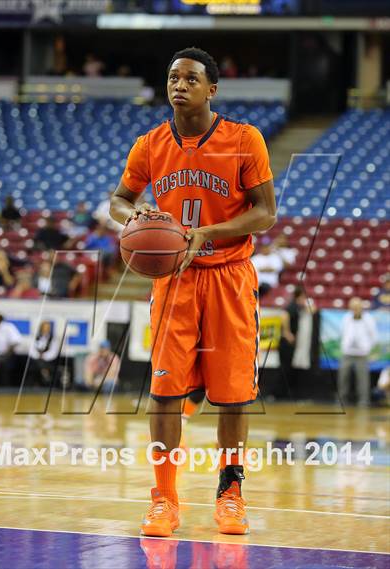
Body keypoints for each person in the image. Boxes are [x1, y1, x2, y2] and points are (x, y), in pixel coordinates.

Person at [110, 47, 276, 537]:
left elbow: (265, 213)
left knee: (233, 395)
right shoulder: (149, 144)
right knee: (163, 392)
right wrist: (134, 216)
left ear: (212, 90)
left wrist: (207, 232)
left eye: (190, 78)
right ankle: (163, 499)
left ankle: (231, 493)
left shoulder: (245, 140)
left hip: (228, 275)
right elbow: (119, 200)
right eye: (172, 78)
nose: (178, 85)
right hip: (174, 281)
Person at [278, 286, 319, 400]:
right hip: (286, 342)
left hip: (293, 342)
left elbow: (313, 309)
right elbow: (284, 316)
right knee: (285, 368)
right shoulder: (292, 306)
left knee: (291, 368)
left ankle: (289, 393)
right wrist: (287, 332)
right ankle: (280, 394)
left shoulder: (300, 306)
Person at [338, 297, 378, 406]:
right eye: (353, 307)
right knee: (343, 376)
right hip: (347, 352)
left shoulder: (369, 318)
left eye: (357, 307)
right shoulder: (346, 317)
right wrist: (345, 344)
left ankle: (364, 400)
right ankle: (342, 398)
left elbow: (373, 336)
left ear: (361, 307)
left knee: (363, 378)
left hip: (362, 353)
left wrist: (367, 347)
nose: (355, 309)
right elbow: (342, 332)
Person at [28, 321, 60, 386]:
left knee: (40, 363)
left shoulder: (53, 339)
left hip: (48, 361)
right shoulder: (35, 338)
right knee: (37, 362)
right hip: (36, 360)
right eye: (44, 328)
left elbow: (54, 352)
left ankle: (44, 373)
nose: (46, 329)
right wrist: (38, 355)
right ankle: (44, 372)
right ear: (41, 328)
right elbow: (31, 351)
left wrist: (44, 356)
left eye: (47, 328)